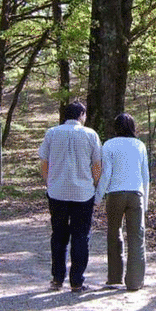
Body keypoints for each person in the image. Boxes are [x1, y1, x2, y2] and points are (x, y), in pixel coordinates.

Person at [38, 101, 102, 292]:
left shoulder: (52, 133)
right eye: (85, 114)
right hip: (83, 193)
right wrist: (94, 184)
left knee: (58, 235)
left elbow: (43, 162)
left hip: (57, 192)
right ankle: (77, 281)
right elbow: (97, 165)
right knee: (81, 236)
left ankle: (57, 279)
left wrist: (48, 181)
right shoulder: (90, 134)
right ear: (81, 114)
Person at [95, 113, 150, 291]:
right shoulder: (140, 145)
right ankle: (135, 282)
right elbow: (145, 176)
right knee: (137, 237)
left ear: (115, 127)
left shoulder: (109, 145)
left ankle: (114, 278)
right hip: (136, 195)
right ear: (133, 127)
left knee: (114, 233)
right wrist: (146, 202)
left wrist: (98, 197)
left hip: (115, 194)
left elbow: (106, 175)